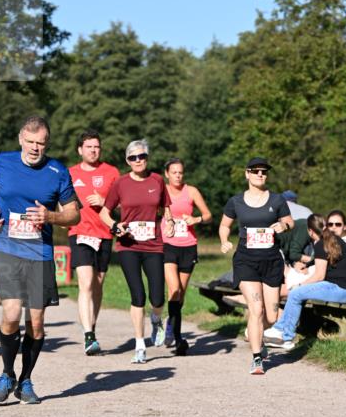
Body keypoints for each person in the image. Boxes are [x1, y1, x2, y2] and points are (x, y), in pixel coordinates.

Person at [0, 115, 80, 405]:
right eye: (31, 142)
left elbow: (74, 214)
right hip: (7, 247)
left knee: (36, 322)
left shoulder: (57, 171)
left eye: (41, 143)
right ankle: (6, 374)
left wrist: (51, 216)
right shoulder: (2, 161)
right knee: (11, 314)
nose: (35, 148)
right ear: (21, 139)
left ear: (47, 143)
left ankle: (25, 380)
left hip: (40, 252)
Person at [101, 139, 175, 364]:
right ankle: (140, 345)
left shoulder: (157, 180)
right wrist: (115, 226)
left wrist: (170, 222)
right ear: (127, 161)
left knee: (157, 297)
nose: (138, 160)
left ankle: (156, 319)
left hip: (153, 245)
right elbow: (104, 212)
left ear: (147, 158)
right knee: (138, 296)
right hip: (128, 246)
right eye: (133, 157)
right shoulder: (120, 184)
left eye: (142, 156)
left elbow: (166, 207)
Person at [219, 156, 293, 375]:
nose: (260, 174)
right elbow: (224, 225)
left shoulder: (277, 200)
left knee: (271, 316)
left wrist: (283, 226)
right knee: (256, 309)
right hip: (246, 261)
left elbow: (289, 221)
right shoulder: (236, 201)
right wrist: (224, 240)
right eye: (256, 171)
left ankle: (255, 334)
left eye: (264, 171)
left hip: (271, 261)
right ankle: (257, 358)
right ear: (247, 174)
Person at [265, 214, 346, 350]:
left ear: (310, 231)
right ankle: (280, 330)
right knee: (297, 292)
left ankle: (285, 337)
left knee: (296, 293)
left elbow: (319, 276)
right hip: (345, 289)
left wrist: (300, 285)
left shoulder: (321, 244)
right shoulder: (333, 240)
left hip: (343, 290)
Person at [68, 129, 120, 355]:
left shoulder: (111, 172)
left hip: (104, 233)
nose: (93, 150)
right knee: (86, 282)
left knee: (98, 284)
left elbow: (123, 203)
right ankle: (88, 335)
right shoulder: (70, 173)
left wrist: (105, 201)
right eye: (89, 147)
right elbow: (60, 200)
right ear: (80, 150)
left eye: (96, 147)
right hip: (79, 232)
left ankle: (92, 326)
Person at [160, 158, 212, 355]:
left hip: (188, 245)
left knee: (180, 294)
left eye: (180, 172)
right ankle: (178, 338)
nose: (178, 176)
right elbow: (150, 209)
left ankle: (170, 323)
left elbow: (208, 215)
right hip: (167, 244)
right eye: (174, 172)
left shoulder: (191, 191)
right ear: (167, 174)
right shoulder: (162, 191)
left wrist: (195, 219)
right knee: (173, 289)